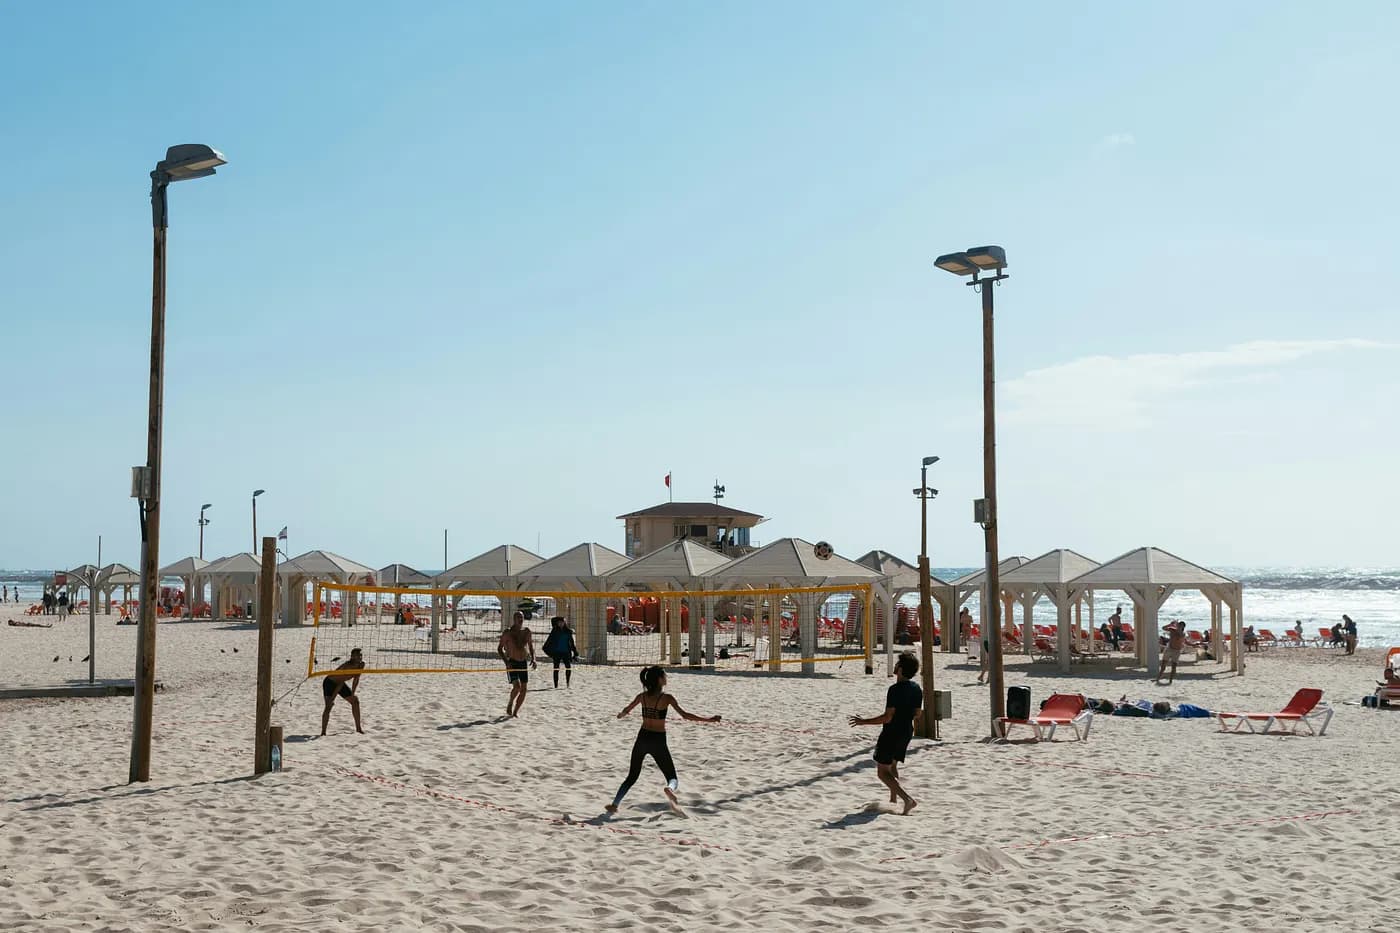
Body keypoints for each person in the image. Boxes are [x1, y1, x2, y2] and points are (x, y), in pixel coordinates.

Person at [606, 665, 720, 815]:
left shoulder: (642, 696)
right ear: (660, 679)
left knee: (632, 776)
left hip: (642, 737)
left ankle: (615, 804)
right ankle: (670, 789)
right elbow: (685, 715)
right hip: (658, 740)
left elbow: (627, 709)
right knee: (672, 777)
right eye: (665, 675)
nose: (667, 677)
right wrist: (709, 720)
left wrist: (621, 714)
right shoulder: (666, 698)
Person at [848, 651, 922, 815]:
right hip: (907, 731)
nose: (895, 666)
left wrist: (863, 722)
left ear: (901, 669)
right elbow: (918, 714)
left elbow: (887, 717)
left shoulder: (894, 689)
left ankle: (907, 799)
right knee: (892, 766)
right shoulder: (916, 688)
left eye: (897, 664)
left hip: (892, 732)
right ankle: (893, 800)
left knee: (882, 772)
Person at [497, 611, 537, 717]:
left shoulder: (527, 631)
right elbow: (499, 649)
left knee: (524, 689)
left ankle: (515, 712)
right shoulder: (508, 633)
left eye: (522, 617)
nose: (521, 619)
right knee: (517, 687)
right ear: (514, 619)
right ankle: (510, 702)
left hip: (523, 662)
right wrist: (506, 662)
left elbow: (531, 647)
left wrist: (533, 659)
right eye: (518, 617)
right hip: (512, 662)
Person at [320, 647, 365, 736]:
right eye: (358, 656)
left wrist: (352, 693)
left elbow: (356, 679)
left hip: (340, 684)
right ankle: (323, 732)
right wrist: (332, 698)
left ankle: (358, 729)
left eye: (361, 655)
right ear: (352, 656)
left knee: (355, 701)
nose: (360, 657)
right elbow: (340, 683)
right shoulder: (347, 666)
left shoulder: (361, 665)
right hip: (330, 683)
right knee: (328, 706)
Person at [542, 615, 579, 688]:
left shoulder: (568, 631)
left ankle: (568, 683)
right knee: (556, 669)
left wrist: (575, 653)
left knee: (568, 667)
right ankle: (556, 685)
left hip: (566, 652)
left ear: (564, 623)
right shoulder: (554, 631)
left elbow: (572, 643)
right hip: (557, 653)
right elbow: (548, 642)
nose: (561, 623)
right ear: (557, 623)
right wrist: (549, 652)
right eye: (559, 622)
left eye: (562, 622)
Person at [1157, 620, 1187, 685]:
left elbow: (1180, 635)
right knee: (1163, 665)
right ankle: (1158, 678)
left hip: (1177, 651)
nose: (1179, 626)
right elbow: (1163, 628)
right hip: (1169, 649)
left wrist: (1177, 628)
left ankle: (1170, 680)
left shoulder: (1183, 633)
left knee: (1174, 666)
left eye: (1180, 626)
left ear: (1183, 627)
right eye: (1179, 625)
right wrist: (1170, 624)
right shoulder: (1172, 630)